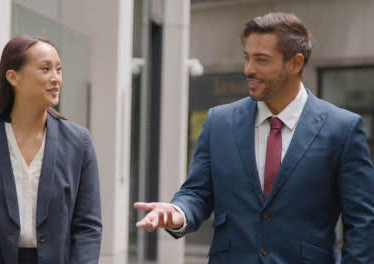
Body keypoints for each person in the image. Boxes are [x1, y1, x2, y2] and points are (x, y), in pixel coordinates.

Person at [134, 13, 374, 263]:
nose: (249, 69)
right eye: (247, 58)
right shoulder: (219, 122)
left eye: (261, 60)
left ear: (295, 63)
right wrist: (178, 212)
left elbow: (363, 223)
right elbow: (197, 193)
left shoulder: (342, 128)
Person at [0, 35, 102, 264]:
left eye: (59, 69)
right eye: (45, 69)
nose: (56, 78)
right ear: (13, 77)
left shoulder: (78, 142)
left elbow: (88, 227)